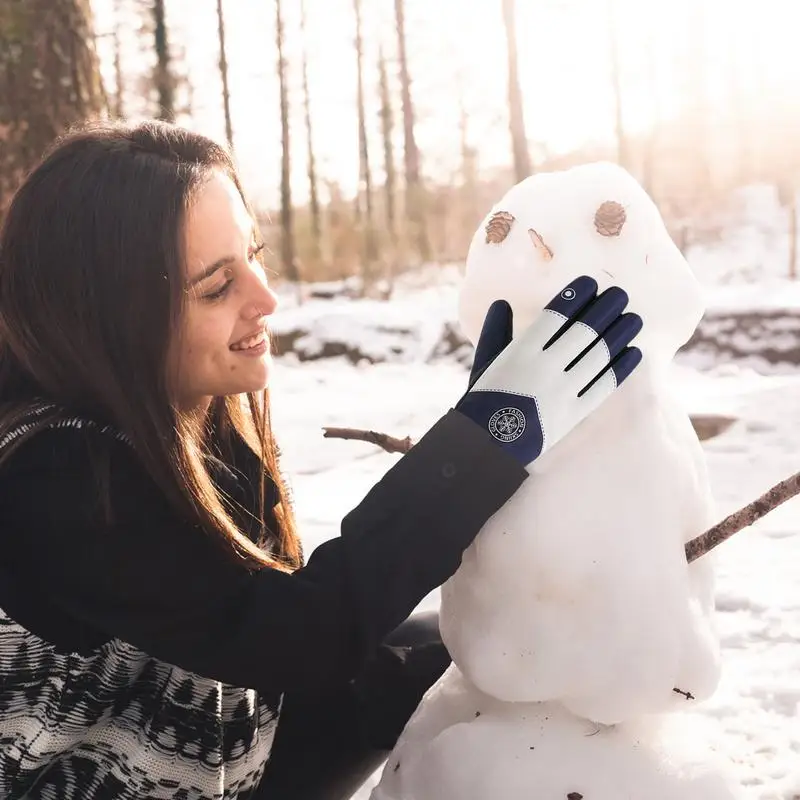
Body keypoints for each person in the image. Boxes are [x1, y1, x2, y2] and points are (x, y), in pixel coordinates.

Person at [0, 119, 643, 800]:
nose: (265, 299)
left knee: (472, 648)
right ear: (109, 317)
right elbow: (299, 637)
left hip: (213, 735)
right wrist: (484, 441)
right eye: (218, 287)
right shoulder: (58, 473)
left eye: (254, 254)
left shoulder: (177, 407)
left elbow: (264, 616)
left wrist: (486, 441)